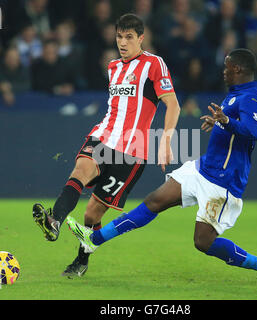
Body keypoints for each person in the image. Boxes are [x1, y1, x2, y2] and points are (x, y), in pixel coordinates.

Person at [67, 48, 257, 284]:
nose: (223, 72)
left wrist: (227, 121)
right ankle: (94, 240)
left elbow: (255, 131)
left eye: (227, 67)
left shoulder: (249, 97)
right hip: (202, 169)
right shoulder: (242, 94)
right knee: (154, 201)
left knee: (203, 242)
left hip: (223, 181)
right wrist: (223, 124)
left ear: (238, 69)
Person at [32, 13, 181, 277]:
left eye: (129, 37)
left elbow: (172, 104)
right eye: (119, 37)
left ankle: (81, 261)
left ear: (141, 38)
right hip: (103, 136)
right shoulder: (113, 67)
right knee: (79, 171)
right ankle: (54, 220)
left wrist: (166, 139)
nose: (123, 43)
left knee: (92, 213)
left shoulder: (153, 64)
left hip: (132, 151)